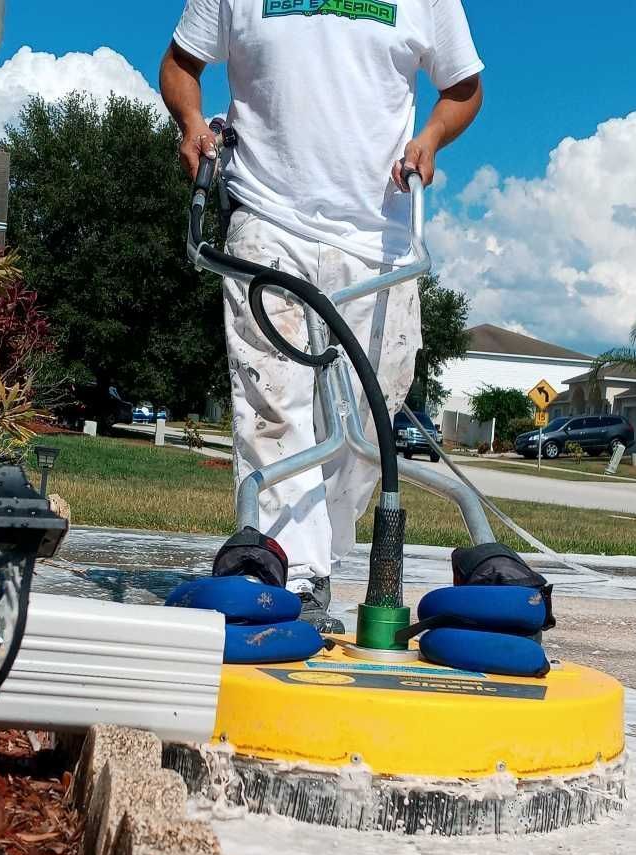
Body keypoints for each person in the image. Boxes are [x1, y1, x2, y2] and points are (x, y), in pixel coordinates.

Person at [161, 0, 483, 630]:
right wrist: (192, 121)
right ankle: (291, 571)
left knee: (368, 421)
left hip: (379, 237)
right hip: (266, 218)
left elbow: (463, 88)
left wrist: (431, 138)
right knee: (274, 405)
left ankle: (324, 555)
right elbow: (179, 63)